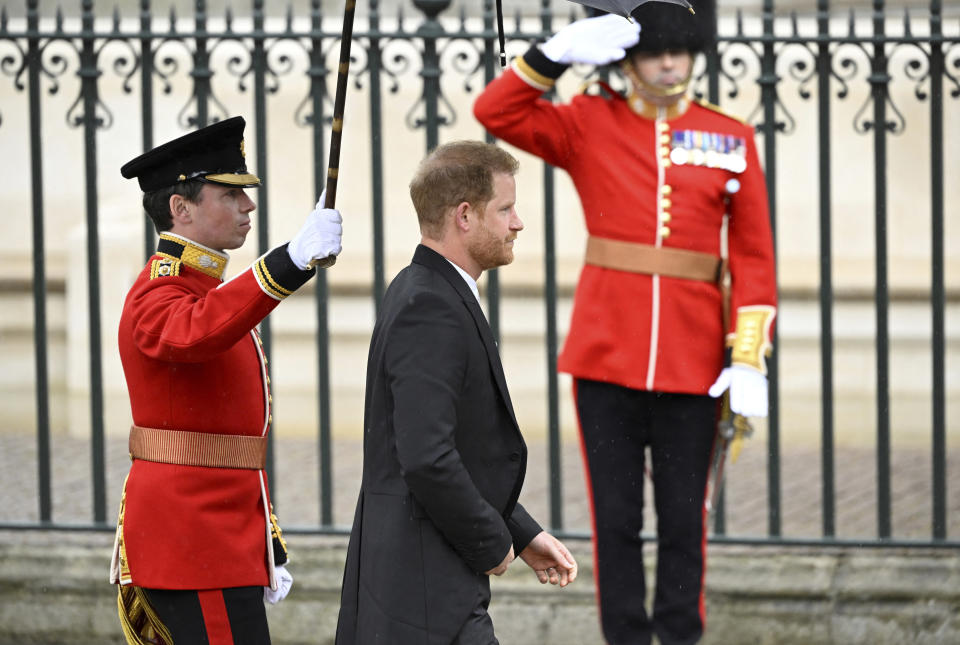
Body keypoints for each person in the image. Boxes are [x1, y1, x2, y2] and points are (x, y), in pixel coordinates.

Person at [474, 2, 777, 644]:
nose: (669, 62)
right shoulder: (590, 123)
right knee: (614, 519)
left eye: (679, 50)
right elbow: (496, 112)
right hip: (606, 355)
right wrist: (554, 55)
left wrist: (748, 355)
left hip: (696, 362)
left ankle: (680, 634)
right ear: (630, 61)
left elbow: (753, 255)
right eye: (653, 52)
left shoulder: (731, 137)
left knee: (682, 518)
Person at [110, 115, 344, 645]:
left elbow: (229, 443)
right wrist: (288, 262)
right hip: (190, 546)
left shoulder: (206, 291)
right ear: (180, 207)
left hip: (220, 543)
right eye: (230, 194)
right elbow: (194, 334)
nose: (249, 206)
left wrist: (265, 540)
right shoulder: (158, 292)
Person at [335, 140, 578, 645]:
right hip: (421, 592)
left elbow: (460, 448)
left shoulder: (430, 289)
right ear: (464, 216)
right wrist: (492, 543)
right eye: (505, 209)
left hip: (425, 581)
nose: (518, 223)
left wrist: (523, 533)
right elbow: (427, 457)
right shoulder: (432, 305)